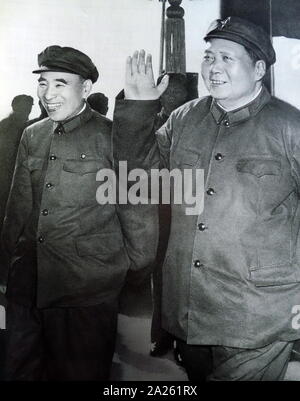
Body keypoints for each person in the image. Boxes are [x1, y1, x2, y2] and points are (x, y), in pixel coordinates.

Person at [113, 16, 300, 381]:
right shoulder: (185, 118)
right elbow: (142, 181)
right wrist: (137, 108)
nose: (213, 67)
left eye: (227, 58)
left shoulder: (290, 128)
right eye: (209, 57)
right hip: (190, 312)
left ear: (259, 68)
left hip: (259, 313)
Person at [1, 45, 157, 381]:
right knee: (18, 371)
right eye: (43, 83)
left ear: (85, 89)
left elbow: (137, 208)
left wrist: (129, 271)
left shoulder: (112, 136)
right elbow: (18, 209)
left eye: (60, 84)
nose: (48, 94)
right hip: (28, 287)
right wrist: (5, 271)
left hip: (86, 291)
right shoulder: (32, 134)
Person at [0, 95, 34, 285]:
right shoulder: (23, 129)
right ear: (15, 105)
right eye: (26, 105)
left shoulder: (6, 126)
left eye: (30, 106)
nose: (28, 109)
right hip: (10, 185)